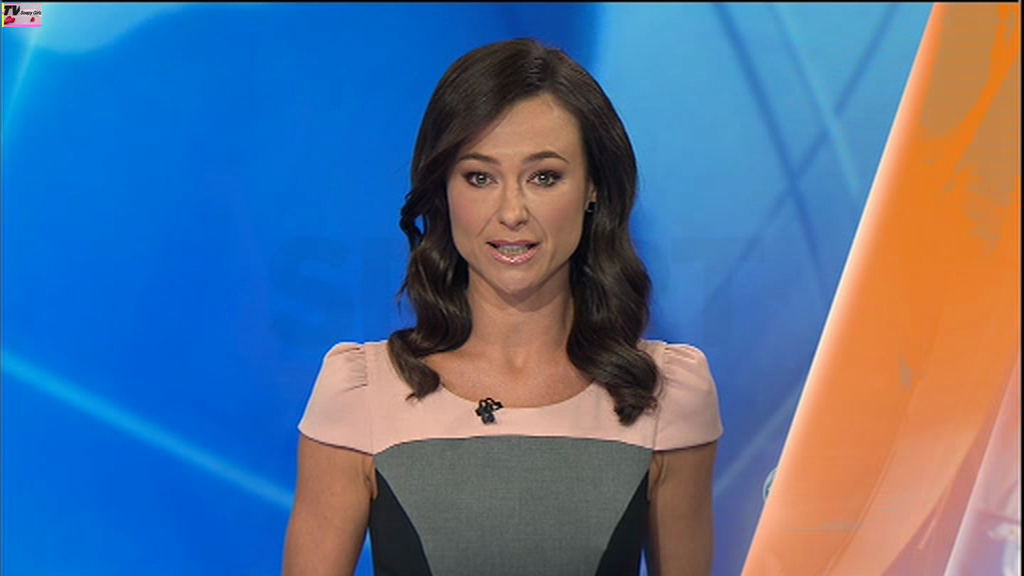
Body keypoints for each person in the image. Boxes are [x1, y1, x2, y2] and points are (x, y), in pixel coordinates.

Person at [283, 38, 723, 576]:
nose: (512, 212)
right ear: (443, 190)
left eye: (544, 177)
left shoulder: (666, 395)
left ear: (594, 189)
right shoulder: (362, 394)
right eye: (480, 177)